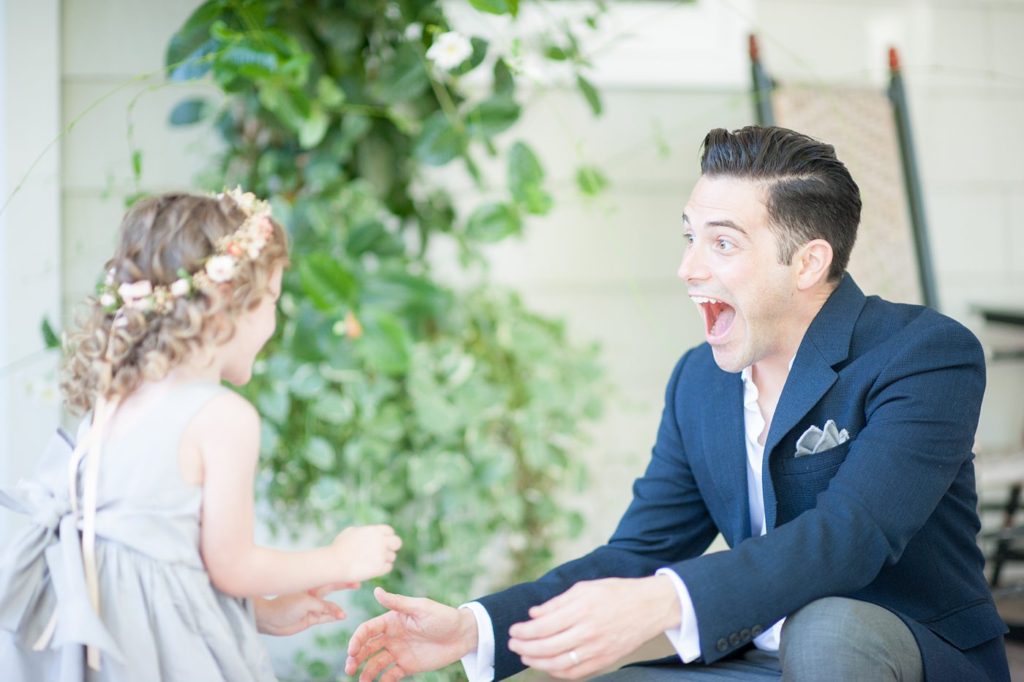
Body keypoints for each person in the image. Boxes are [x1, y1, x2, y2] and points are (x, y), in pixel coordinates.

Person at [344, 126, 1010, 682]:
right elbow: (636, 555)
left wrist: (664, 601)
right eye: (689, 236)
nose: (689, 268)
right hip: (753, 658)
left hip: (899, 655)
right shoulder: (699, 379)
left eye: (721, 242)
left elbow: (848, 539)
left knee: (828, 627)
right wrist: (473, 627)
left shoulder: (926, 353)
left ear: (807, 264)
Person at [0, 190, 403, 681]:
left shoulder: (116, 401)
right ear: (225, 303)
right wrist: (338, 558)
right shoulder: (221, 417)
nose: (274, 320)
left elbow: (151, 564)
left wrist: (261, 611)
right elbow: (231, 565)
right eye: (272, 300)